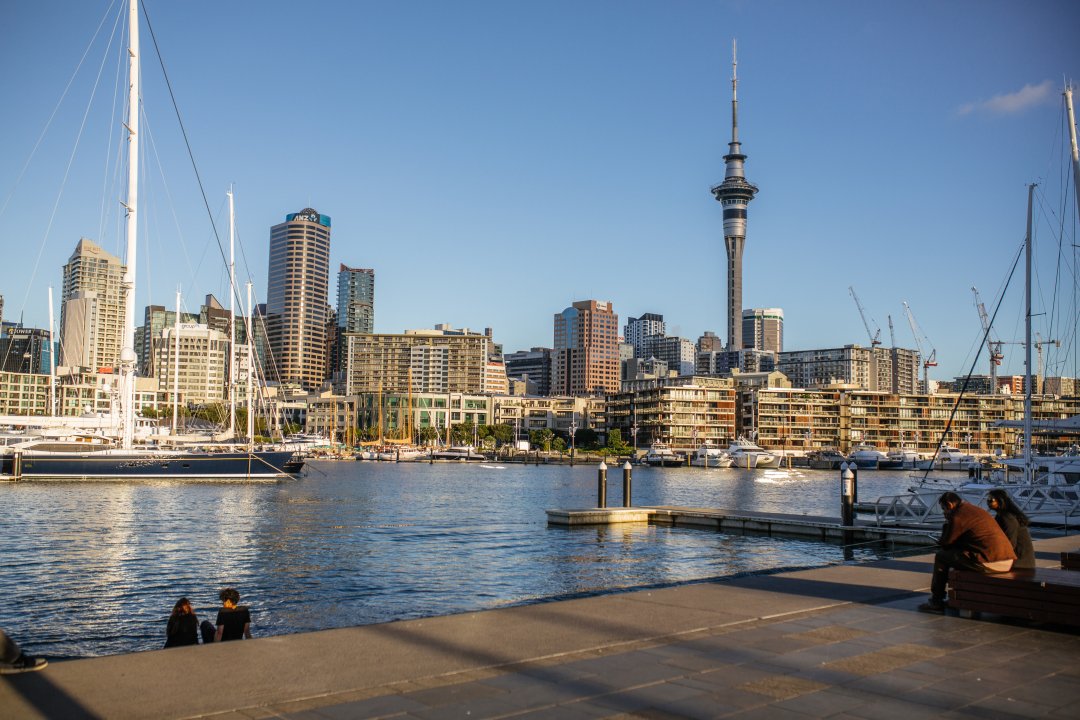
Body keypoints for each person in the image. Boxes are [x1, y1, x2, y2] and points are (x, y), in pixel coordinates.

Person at [918, 491, 1017, 614]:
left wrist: (946, 525)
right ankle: (959, 596)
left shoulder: (958, 516)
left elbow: (946, 544)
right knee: (958, 557)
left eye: (944, 509)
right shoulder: (975, 510)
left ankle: (936, 601)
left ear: (949, 505)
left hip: (990, 562)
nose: (944, 513)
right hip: (1007, 561)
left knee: (941, 557)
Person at [987, 489, 1036, 570]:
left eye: (991, 500)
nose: (988, 502)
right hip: (1019, 561)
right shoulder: (1002, 515)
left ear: (1000, 500)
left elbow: (1010, 543)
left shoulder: (1007, 518)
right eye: (988, 500)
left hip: (1020, 564)